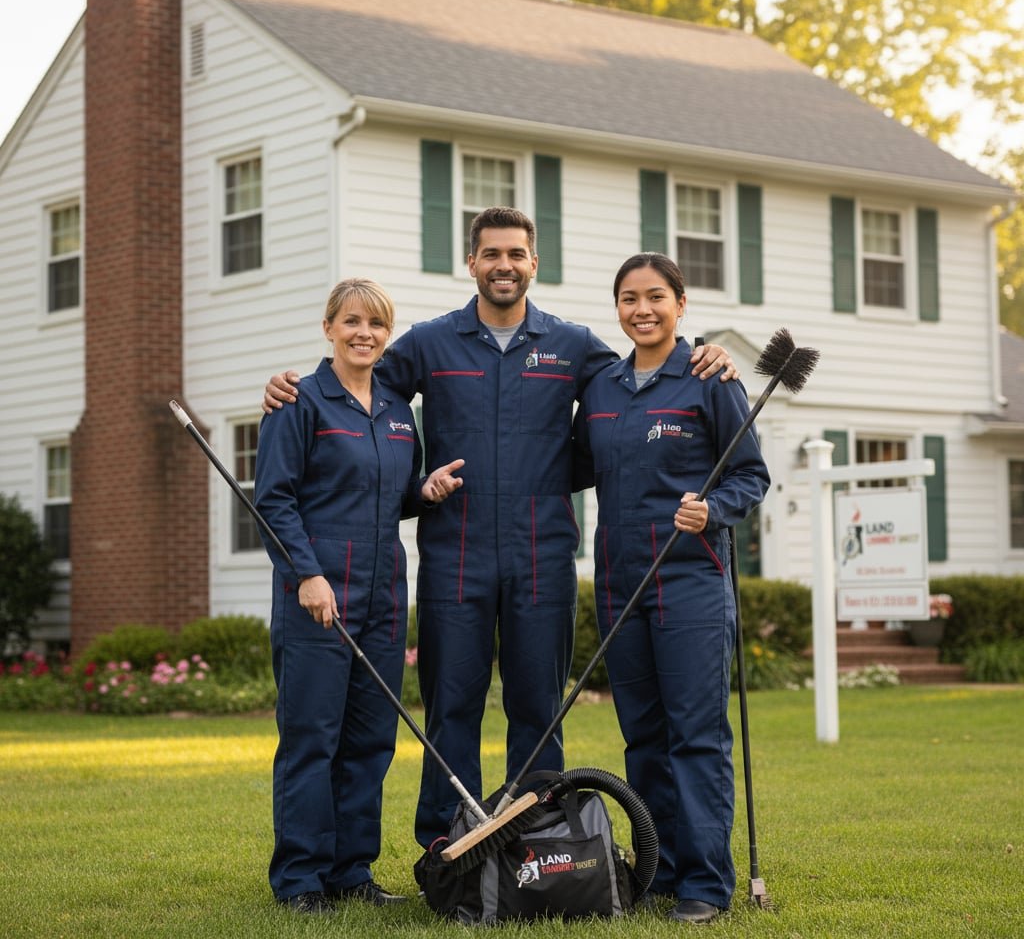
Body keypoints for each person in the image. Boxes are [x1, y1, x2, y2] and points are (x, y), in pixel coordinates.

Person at [262, 207, 737, 849]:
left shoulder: (572, 346)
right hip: (454, 562)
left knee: (537, 715)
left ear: (533, 263)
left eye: (516, 254)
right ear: (473, 263)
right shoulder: (430, 344)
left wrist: (705, 351)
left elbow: (642, 375)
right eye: (491, 254)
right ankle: (446, 846)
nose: (504, 265)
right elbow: (355, 380)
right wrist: (288, 387)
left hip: (542, 559)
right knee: (451, 713)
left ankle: (537, 841)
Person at [254, 278, 465, 913]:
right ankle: (299, 878)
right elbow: (273, 501)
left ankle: (351, 871)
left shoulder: (399, 411)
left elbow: (395, 493)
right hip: (318, 592)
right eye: (351, 321)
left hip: (382, 593)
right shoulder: (299, 403)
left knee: (370, 740)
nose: (363, 333)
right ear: (329, 329)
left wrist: (422, 493)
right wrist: (306, 575)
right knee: (312, 738)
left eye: (375, 323)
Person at [572, 253, 770, 925]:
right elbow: (567, 464)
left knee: (696, 736)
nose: (642, 310)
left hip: (690, 582)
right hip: (618, 581)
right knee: (644, 738)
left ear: (681, 303)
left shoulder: (710, 379)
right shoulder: (602, 387)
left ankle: (706, 883)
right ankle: (660, 872)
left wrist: (712, 510)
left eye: (655, 296)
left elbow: (750, 477)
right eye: (628, 298)